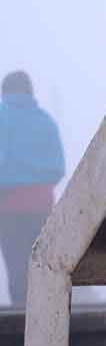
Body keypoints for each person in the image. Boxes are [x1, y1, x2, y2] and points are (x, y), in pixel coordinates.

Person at [0, 70, 66, 308]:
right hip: (41, 205)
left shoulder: (2, 116)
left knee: (17, 266)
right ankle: (44, 318)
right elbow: (58, 168)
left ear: (4, 91)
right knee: (40, 265)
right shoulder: (45, 120)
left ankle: (21, 325)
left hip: (8, 206)